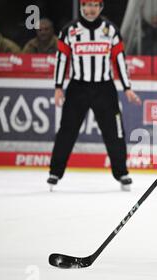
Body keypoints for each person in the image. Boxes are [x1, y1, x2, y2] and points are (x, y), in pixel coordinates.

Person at [48, 0, 141, 191]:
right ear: (81, 7)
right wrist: (58, 87)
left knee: (115, 131)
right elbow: (61, 59)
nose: (91, 10)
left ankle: (122, 172)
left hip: (104, 89)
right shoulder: (69, 30)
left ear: (101, 7)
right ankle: (55, 172)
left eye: (95, 5)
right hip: (77, 88)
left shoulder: (111, 30)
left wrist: (127, 87)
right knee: (67, 130)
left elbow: (119, 59)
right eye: (87, 5)